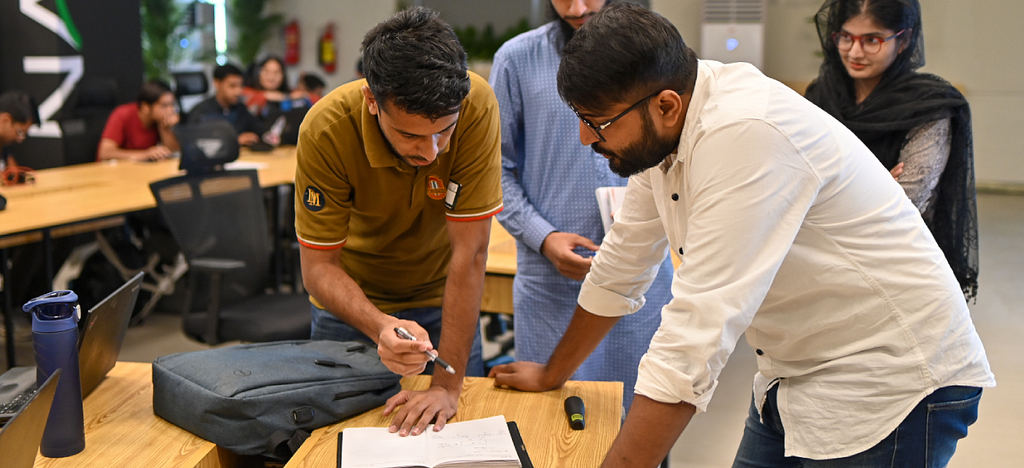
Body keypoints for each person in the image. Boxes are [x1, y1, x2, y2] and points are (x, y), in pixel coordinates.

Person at [488, 4, 994, 467]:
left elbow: (694, 335)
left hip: (894, 377)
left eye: (597, 122)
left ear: (665, 105)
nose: (584, 138)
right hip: (797, 366)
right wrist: (553, 374)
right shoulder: (668, 129)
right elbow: (621, 265)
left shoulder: (744, 134)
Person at [295, 7, 502, 438]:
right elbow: (318, 270)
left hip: (445, 298)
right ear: (372, 100)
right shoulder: (327, 129)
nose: (431, 153)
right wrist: (379, 324)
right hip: (350, 307)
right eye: (410, 135)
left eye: (443, 131)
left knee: (457, 440)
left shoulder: (476, 103)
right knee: (339, 444)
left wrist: (446, 385)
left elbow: (472, 252)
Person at [488, 0, 671, 412]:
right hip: (551, 284)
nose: (576, 6)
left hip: (643, 281)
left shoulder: (653, 51)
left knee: (639, 414)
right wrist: (543, 237)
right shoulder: (517, 60)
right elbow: (494, 172)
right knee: (553, 423)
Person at [804, 0, 979, 300]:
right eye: (846, 37)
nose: (855, 52)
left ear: (904, 40)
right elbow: (797, 182)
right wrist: (880, 183)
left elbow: (907, 204)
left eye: (872, 40)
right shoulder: (820, 95)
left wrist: (831, 189)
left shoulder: (929, 106)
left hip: (900, 266)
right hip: (822, 265)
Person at [97, 80, 179, 161]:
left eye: (172, 104)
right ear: (145, 107)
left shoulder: (158, 120)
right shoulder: (122, 114)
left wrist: (165, 128)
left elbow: (172, 152)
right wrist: (145, 154)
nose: (171, 110)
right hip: (114, 171)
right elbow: (105, 153)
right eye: (164, 106)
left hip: (142, 170)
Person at [186, 63, 260, 146]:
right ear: (217, 83)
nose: (238, 92)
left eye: (240, 86)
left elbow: (259, 130)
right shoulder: (201, 112)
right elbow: (194, 142)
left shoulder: (241, 109)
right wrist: (234, 140)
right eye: (232, 86)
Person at [243, 56, 308, 118]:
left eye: (276, 72)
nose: (271, 77)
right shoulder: (247, 93)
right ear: (258, 73)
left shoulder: (292, 93)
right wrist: (286, 97)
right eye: (266, 71)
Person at [0, 90, 38, 170]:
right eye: (19, 132)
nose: (19, 139)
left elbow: (13, 171)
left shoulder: (3, 145)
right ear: (5, 120)